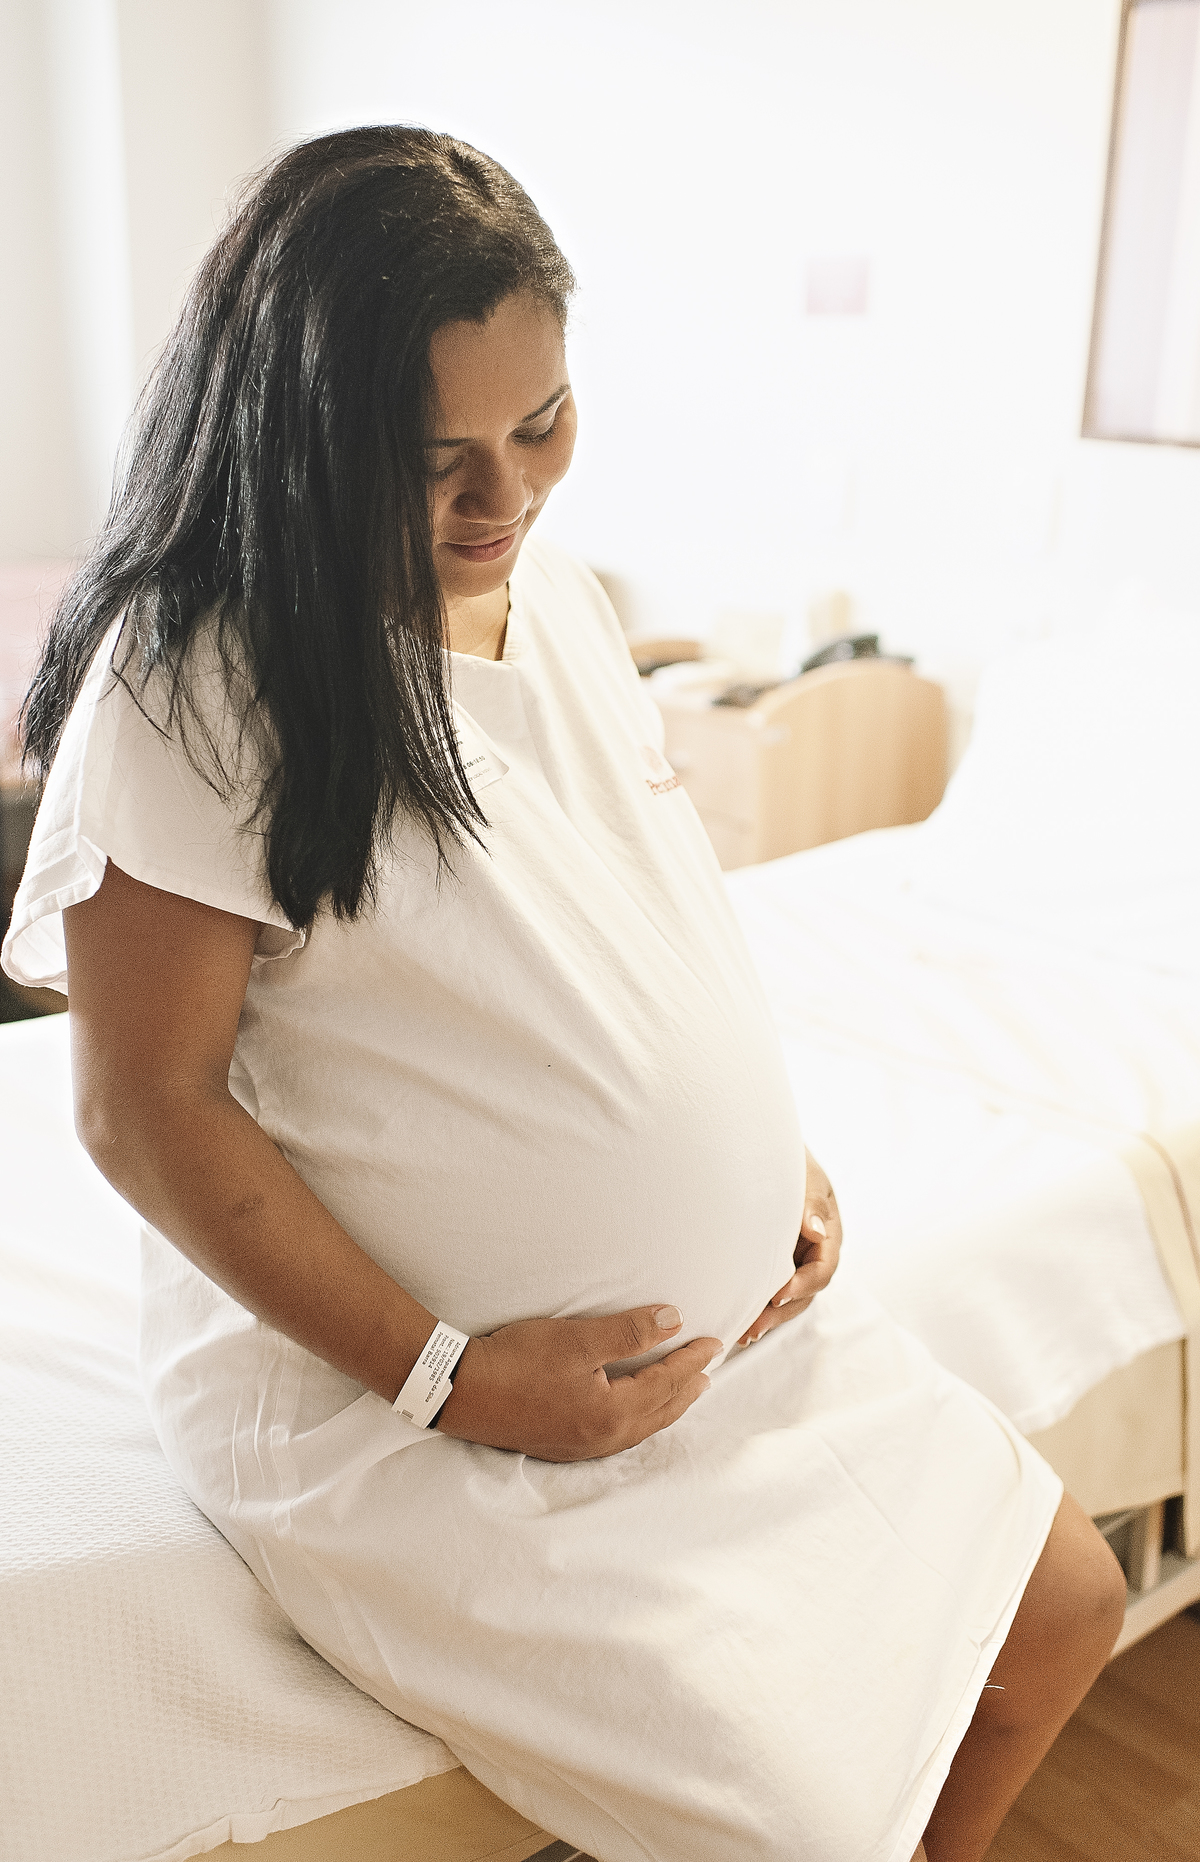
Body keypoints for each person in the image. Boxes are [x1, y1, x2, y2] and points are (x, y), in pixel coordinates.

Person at [3, 127, 1124, 1862]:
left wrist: (769, 1170)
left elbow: (637, 913)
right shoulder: (200, 674)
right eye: (432, 457)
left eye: (540, 426)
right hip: (412, 1403)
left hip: (725, 1346)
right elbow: (142, 1110)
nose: (503, 501)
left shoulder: (564, 603)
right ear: (298, 433)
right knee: (808, 1819)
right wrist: (455, 1375)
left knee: (1062, 1611)